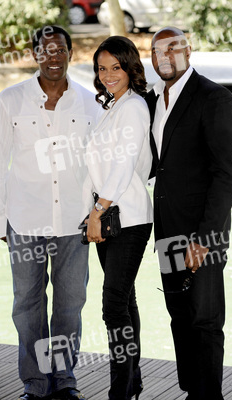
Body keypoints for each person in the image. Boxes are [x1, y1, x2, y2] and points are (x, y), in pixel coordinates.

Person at [0, 25, 99, 400]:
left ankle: (64, 381)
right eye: (46, 50)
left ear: (70, 53)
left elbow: (97, 162)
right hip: (24, 219)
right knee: (28, 305)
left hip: (73, 221)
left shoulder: (88, 102)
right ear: (35, 54)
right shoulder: (10, 100)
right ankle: (35, 385)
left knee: (70, 304)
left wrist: (98, 210)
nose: (54, 57)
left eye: (61, 50)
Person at [146, 27, 232, 399]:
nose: (165, 56)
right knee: (180, 317)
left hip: (204, 233)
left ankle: (208, 396)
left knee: (205, 319)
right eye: (157, 50)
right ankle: (191, 391)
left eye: (173, 48)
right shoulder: (154, 100)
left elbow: (226, 173)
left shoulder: (214, 98)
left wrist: (204, 238)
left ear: (188, 51)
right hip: (167, 230)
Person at [81, 36, 153, 400]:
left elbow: (124, 168)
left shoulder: (134, 107)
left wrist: (97, 212)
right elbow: (95, 166)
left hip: (129, 216)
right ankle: (133, 382)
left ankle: (119, 393)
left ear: (130, 68)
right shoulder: (109, 106)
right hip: (108, 215)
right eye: (102, 68)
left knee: (113, 306)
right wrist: (90, 211)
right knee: (126, 301)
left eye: (116, 67)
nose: (108, 75)